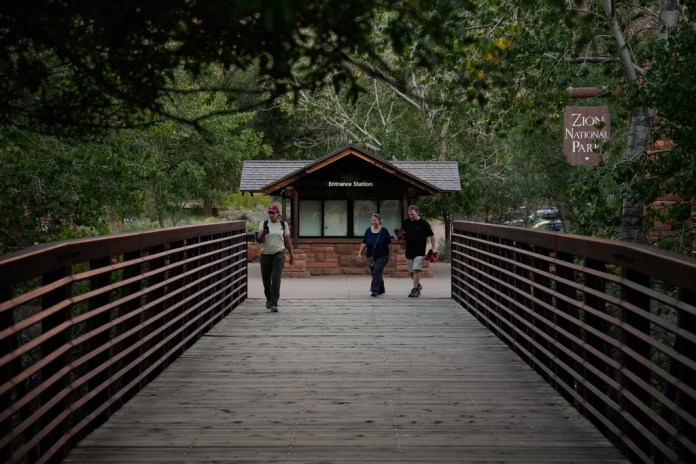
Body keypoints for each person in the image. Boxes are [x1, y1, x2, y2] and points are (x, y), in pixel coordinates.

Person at [257, 204, 294, 312]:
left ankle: (274, 303)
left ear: (278, 213)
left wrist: (291, 255)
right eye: (270, 212)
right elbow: (259, 241)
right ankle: (268, 298)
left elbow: (287, 240)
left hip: (279, 253)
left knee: (276, 278)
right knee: (266, 279)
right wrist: (263, 233)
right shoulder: (263, 224)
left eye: (273, 212)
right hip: (265, 254)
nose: (271, 214)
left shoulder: (283, 224)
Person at [401, 205, 436, 297]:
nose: (411, 216)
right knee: (411, 271)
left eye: (412, 214)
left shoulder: (424, 223)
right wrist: (397, 236)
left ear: (417, 213)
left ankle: (414, 289)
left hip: (420, 251)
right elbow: (402, 234)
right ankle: (418, 285)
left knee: (417, 269)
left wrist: (434, 248)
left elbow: (432, 236)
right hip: (409, 250)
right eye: (409, 214)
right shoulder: (406, 222)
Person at [357, 213, 392, 297]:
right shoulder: (368, 230)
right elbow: (364, 242)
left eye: (375, 220)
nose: (373, 222)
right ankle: (381, 289)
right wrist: (359, 253)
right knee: (375, 272)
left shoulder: (384, 231)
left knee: (376, 271)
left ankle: (374, 290)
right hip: (370, 256)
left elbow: (389, 245)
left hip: (383, 255)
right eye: (372, 220)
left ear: (379, 221)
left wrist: (390, 255)